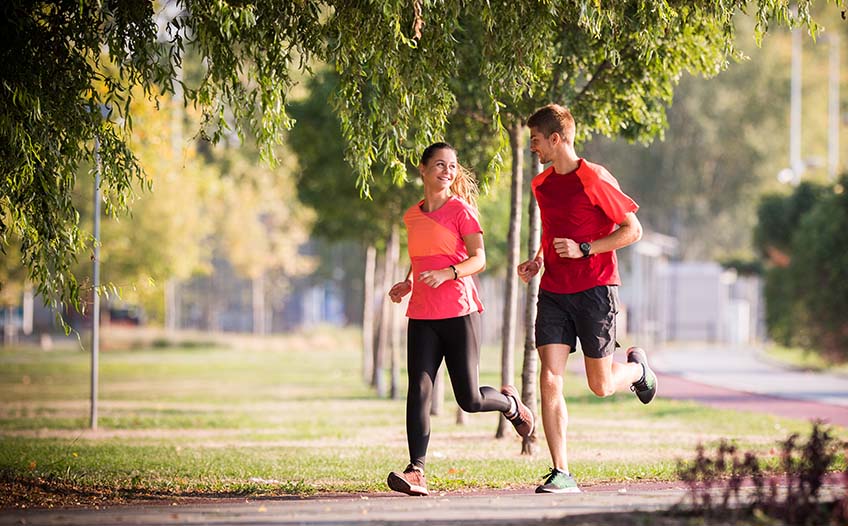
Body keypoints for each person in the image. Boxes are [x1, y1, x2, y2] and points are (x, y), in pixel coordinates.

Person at [516, 104, 658, 494]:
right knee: (549, 377)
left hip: (596, 289)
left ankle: (638, 371)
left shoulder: (594, 178)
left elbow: (633, 230)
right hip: (554, 292)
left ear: (557, 139)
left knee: (601, 385)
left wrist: (585, 248)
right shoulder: (541, 185)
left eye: (537, 140)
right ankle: (561, 471)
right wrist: (538, 261)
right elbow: (552, 231)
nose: (534, 148)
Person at [386, 142, 534, 497]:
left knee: (469, 398)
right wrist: (408, 281)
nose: (447, 172)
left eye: (451, 166)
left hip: (459, 312)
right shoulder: (412, 215)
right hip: (422, 313)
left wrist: (450, 273)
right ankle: (416, 471)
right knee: (418, 389)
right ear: (422, 169)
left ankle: (512, 405)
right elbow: (422, 256)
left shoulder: (461, 210)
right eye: (439, 165)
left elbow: (478, 259)